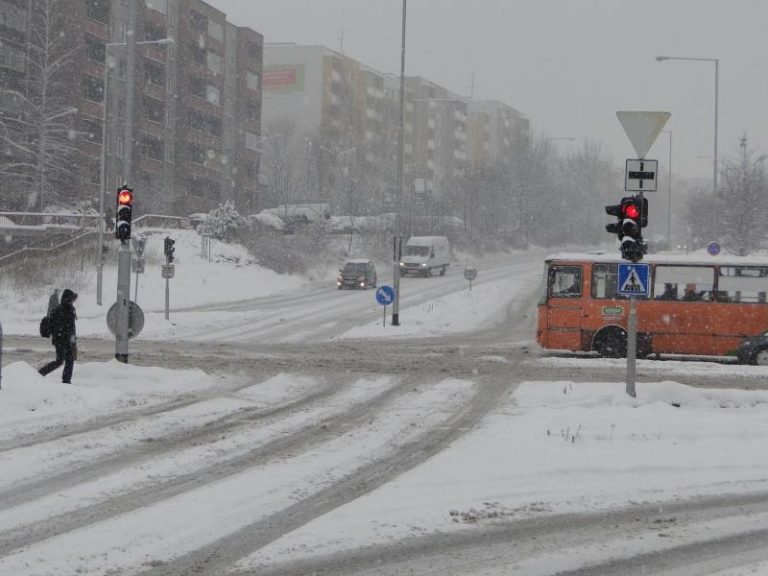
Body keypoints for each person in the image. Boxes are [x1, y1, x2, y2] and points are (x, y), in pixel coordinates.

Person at [39, 288, 78, 384]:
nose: (73, 301)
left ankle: (66, 380)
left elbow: (72, 327)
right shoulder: (60, 310)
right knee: (60, 361)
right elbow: (60, 327)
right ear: (68, 299)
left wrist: (73, 341)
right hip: (60, 340)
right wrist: (66, 337)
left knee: (70, 359)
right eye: (72, 299)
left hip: (67, 339)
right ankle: (41, 373)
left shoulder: (70, 309)